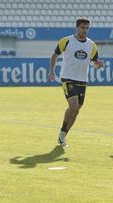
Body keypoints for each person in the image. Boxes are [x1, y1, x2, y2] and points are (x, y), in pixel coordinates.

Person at [49, 17, 104, 147]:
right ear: (77, 28)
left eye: (87, 28)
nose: (85, 30)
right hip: (67, 77)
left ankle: (62, 135)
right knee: (73, 106)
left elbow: (95, 63)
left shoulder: (91, 45)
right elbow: (54, 55)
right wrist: (52, 71)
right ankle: (62, 136)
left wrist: (98, 65)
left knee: (76, 110)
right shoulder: (67, 41)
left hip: (82, 80)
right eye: (82, 28)